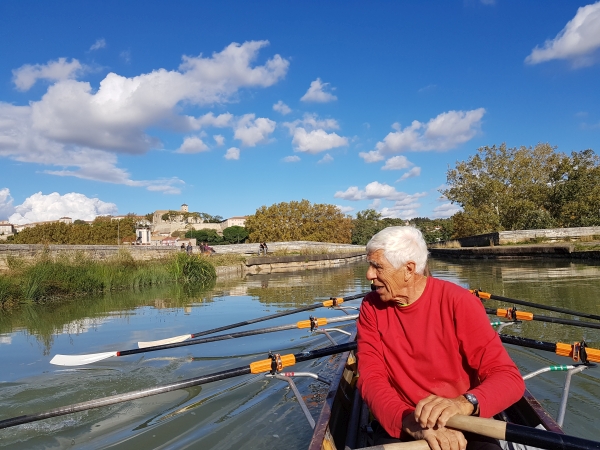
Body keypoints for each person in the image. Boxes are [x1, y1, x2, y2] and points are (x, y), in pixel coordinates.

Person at [357, 226, 524, 450]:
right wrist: (409, 422)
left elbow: (508, 378)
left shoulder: (459, 302)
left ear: (408, 269)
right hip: (404, 418)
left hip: (463, 421)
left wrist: (463, 404)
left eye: (377, 266)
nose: (369, 274)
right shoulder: (371, 307)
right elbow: (371, 378)